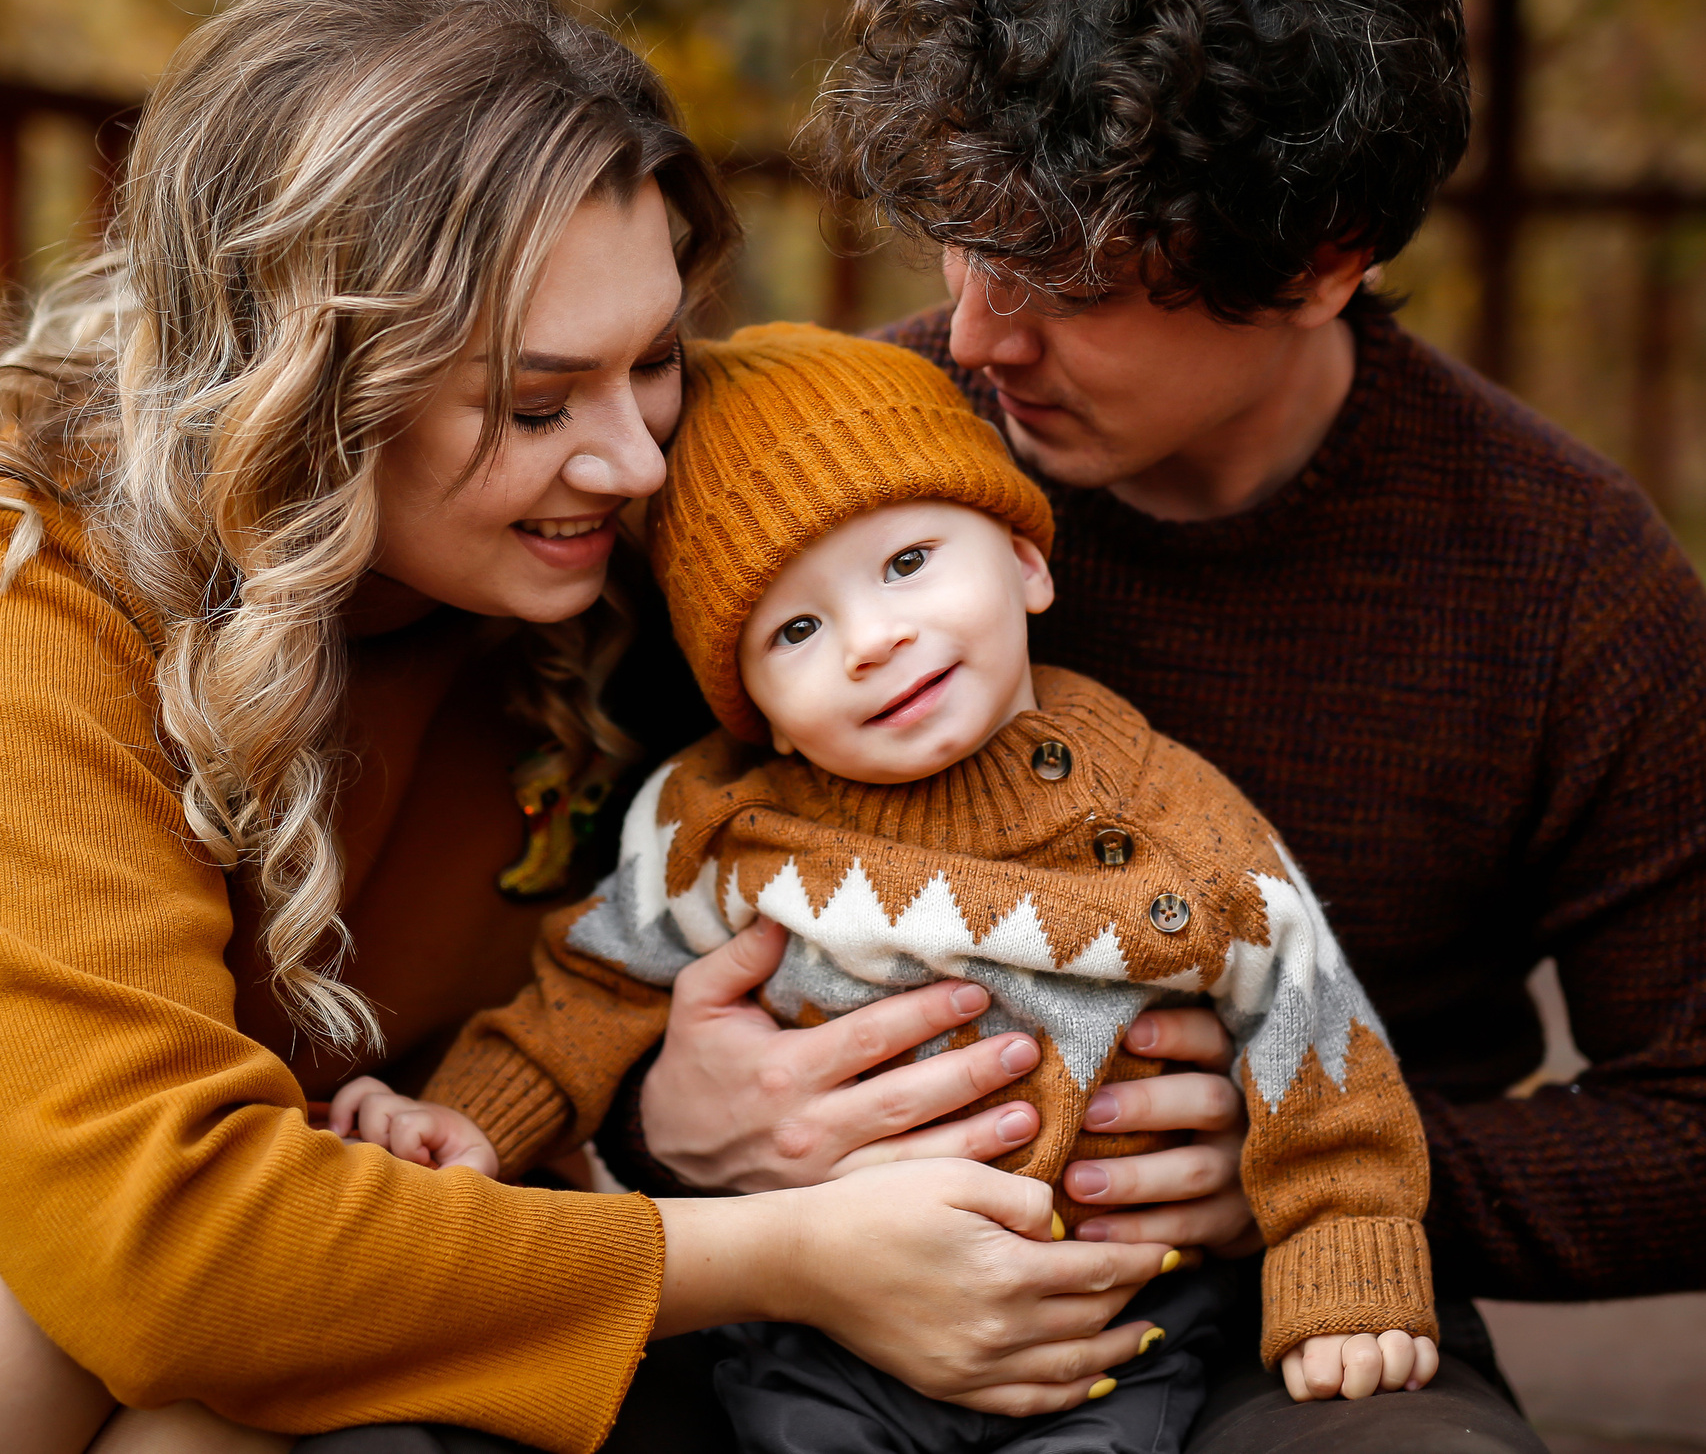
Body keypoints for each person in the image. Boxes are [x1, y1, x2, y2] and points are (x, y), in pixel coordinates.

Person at [0, 0, 1196, 1454]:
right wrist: (795, 1254)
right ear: (308, 393)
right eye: (537, 398)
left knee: (213, 1426)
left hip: (344, 1249)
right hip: (91, 1265)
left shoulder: (618, 541)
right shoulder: (46, 589)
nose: (635, 462)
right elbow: (157, 1251)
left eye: (653, 363)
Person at [776, 0, 1706, 1454]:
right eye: (966, 249)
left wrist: (1313, 1152)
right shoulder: (844, 453)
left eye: (1066, 282)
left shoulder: (1567, 580)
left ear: (1325, 259)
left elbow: (1695, 1123)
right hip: (820, 1293)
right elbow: (571, 895)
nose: (979, 335)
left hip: (1299, 1334)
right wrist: (685, 1108)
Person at [338, 320, 1443, 1452]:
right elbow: (585, 997)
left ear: (1024, 560)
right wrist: (467, 1123)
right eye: (798, 627)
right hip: (821, 1335)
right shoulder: (722, 826)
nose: (871, 640)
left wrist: (1342, 1249)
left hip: (1103, 1324)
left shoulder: (1166, 815)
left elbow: (1306, 1026)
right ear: (751, 703)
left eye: (908, 562)